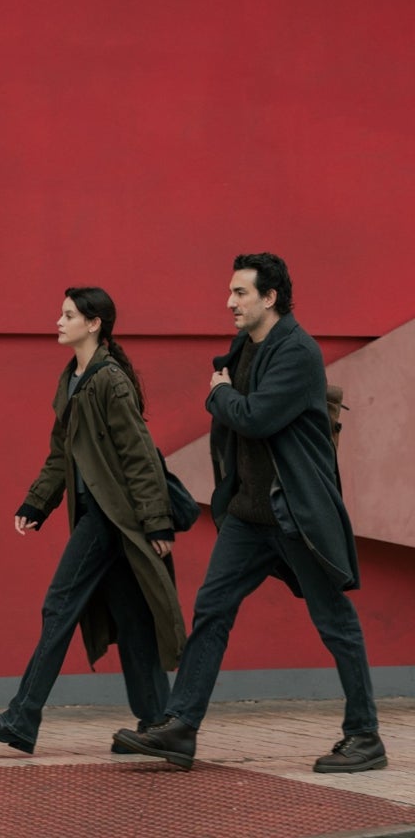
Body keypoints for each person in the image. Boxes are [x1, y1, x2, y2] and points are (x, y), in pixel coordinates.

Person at [113, 252, 386, 773]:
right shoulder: (245, 345)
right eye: (231, 292)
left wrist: (218, 393)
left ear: (270, 297)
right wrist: (226, 393)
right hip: (248, 515)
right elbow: (238, 409)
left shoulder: (298, 352)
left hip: (295, 513)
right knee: (212, 610)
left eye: (240, 293)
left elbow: (255, 417)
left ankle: (365, 736)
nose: (229, 302)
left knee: (335, 622)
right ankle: (181, 727)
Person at [0, 287, 186, 755]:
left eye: (69, 315)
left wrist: (157, 524)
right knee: (132, 619)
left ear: (94, 324)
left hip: (111, 519)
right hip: (94, 513)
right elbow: (59, 454)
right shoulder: (72, 379)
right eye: (60, 313)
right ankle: (155, 723)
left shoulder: (110, 381)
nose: (59, 321)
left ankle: (21, 718)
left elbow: (140, 457)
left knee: (58, 606)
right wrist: (36, 504)